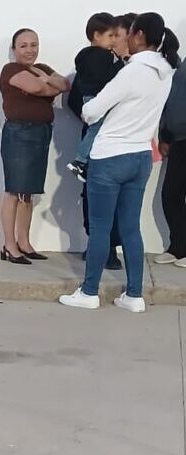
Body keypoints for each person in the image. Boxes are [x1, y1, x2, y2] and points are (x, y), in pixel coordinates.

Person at [61, 13, 179, 313]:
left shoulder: (132, 71)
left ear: (138, 35)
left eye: (128, 32)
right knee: (130, 228)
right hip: (141, 156)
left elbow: (91, 112)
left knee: (100, 227)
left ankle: (89, 292)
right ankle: (134, 295)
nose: (122, 37)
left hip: (111, 156)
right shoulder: (166, 72)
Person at [0, 29, 70, 264]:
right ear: (14, 49)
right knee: (14, 191)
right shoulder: (10, 70)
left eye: (34, 45)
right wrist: (46, 83)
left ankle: (24, 242)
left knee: (27, 192)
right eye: (24, 46)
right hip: (19, 133)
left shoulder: (42, 68)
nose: (30, 50)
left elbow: (64, 84)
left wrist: (45, 79)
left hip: (41, 133)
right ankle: (9, 245)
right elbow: (36, 89)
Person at [67, 13, 124, 182]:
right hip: (96, 98)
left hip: (87, 98)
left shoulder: (85, 56)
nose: (114, 40)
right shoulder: (103, 56)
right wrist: (120, 63)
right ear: (97, 35)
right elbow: (109, 77)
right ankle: (80, 160)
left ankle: (83, 162)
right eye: (110, 36)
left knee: (94, 129)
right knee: (96, 129)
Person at [155, 56, 186, 266]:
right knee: (171, 194)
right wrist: (164, 135)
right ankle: (178, 247)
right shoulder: (183, 66)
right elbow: (171, 99)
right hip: (178, 140)